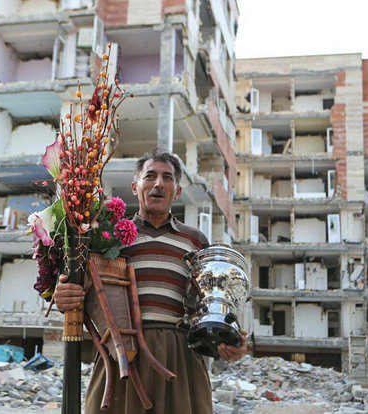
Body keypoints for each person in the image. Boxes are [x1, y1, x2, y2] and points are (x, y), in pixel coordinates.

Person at [54, 150, 247, 414]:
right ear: (135, 187)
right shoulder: (108, 235)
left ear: (177, 191)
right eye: (150, 176)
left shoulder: (196, 241)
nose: (158, 183)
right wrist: (64, 293)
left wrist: (231, 338)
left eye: (167, 178)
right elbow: (82, 290)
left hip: (179, 356)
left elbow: (212, 303)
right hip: (121, 352)